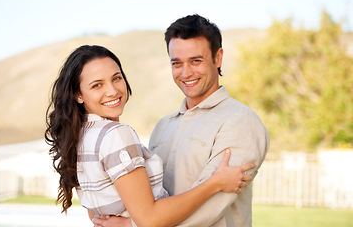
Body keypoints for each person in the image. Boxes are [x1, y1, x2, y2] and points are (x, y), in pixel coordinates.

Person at [45, 45, 255, 227]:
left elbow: (99, 216)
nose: (112, 91)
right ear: (78, 94)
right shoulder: (116, 134)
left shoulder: (79, 137)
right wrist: (215, 183)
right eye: (97, 85)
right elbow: (150, 220)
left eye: (116, 78)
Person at [94, 14, 270, 227]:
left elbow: (211, 205)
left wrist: (131, 225)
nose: (186, 73)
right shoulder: (162, 126)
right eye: (177, 63)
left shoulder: (240, 122)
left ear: (218, 57)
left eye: (196, 61)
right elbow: (149, 199)